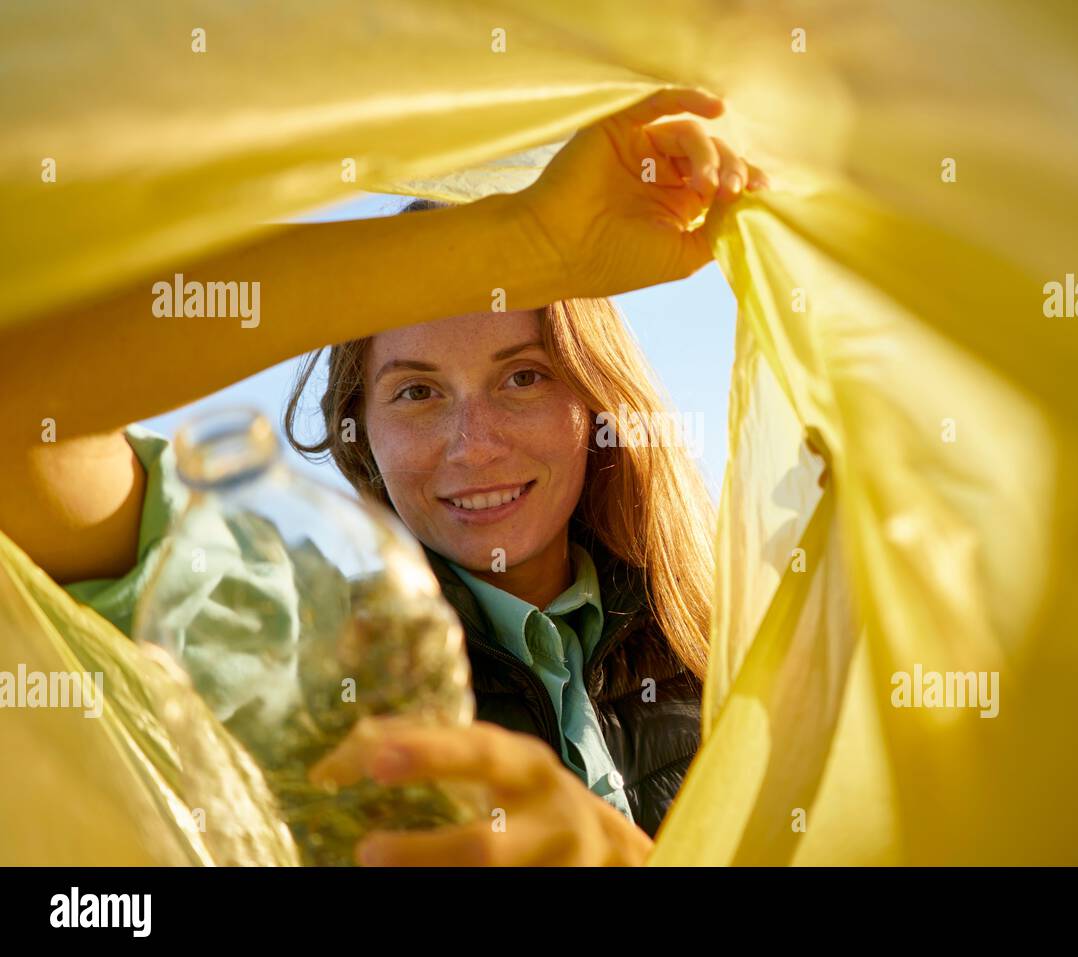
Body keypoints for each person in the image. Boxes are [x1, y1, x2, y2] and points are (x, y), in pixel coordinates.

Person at [0, 88, 767, 865]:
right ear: (362, 435)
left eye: (523, 377)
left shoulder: (736, 638)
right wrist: (522, 241)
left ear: (597, 396)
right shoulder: (318, 645)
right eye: (417, 391)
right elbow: (18, 417)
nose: (473, 446)